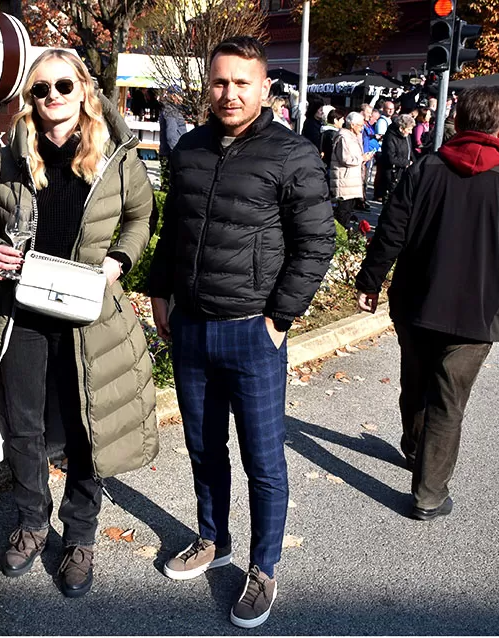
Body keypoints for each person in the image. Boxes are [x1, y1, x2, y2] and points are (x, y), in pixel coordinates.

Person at [148, 36, 334, 629]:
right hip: (193, 329)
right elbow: (174, 226)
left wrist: (280, 318)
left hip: (253, 331)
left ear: (263, 89)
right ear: (209, 84)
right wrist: (160, 292)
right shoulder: (192, 149)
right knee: (204, 447)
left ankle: (263, 567)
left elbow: (316, 244)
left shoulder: (293, 155)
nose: (229, 93)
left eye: (241, 83)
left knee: (263, 461)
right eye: (220, 82)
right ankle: (212, 538)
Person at [0, 48, 158, 600]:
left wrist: (118, 262)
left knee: (87, 425)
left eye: (61, 86)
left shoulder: (115, 156)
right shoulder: (8, 159)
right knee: (24, 424)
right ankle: (32, 522)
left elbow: (139, 216)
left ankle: (80, 535)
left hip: (89, 311)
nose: (51, 97)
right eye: (39, 90)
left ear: (84, 90)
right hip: (24, 311)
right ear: (29, 101)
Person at [355, 86, 499, 521]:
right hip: (479, 312)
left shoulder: (425, 168)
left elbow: (391, 229)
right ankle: (429, 494)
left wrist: (370, 280)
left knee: (416, 380)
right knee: (449, 400)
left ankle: (414, 446)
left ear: (458, 122)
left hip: (418, 301)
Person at [331, 112, 373, 227]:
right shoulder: (344, 137)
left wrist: (364, 158)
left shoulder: (352, 136)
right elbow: (345, 159)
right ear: (352, 125)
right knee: (342, 214)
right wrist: (362, 158)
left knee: (347, 213)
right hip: (344, 182)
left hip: (350, 182)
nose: (362, 128)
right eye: (360, 125)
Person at [377, 113, 415, 202]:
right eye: (409, 129)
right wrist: (407, 163)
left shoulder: (406, 136)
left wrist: (414, 162)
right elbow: (390, 157)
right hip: (392, 174)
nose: (410, 132)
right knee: (390, 199)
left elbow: (410, 151)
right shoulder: (390, 137)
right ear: (401, 128)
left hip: (403, 172)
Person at [158, 85, 188, 191]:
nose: (182, 98)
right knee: (170, 187)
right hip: (171, 154)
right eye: (179, 96)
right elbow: (171, 136)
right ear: (173, 96)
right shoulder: (170, 111)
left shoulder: (173, 110)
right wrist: (177, 153)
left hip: (170, 152)